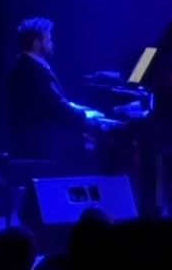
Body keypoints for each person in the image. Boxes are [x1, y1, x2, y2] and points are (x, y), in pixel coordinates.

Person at [6, 18, 107, 166]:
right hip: (39, 142)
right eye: (48, 39)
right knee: (89, 151)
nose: (51, 43)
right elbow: (56, 107)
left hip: (32, 136)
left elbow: (48, 100)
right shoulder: (32, 70)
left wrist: (74, 107)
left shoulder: (25, 63)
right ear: (36, 43)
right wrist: (85, 115)